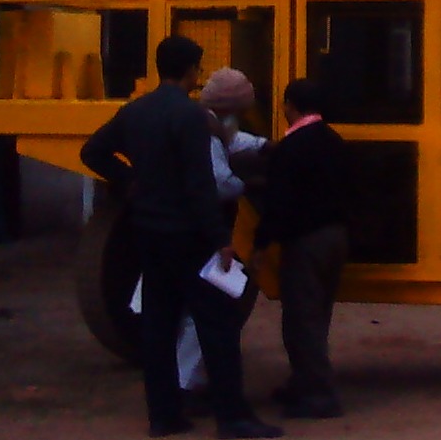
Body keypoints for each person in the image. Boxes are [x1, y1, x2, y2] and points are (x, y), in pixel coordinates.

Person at [81, 35, 283, 440]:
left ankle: (164, 416)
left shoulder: (136, 112)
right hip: (191, 235)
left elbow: (92, 152)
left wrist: (128, 181)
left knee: (158, 325)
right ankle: (233, 418)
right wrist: (219, 238)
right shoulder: (191, 118)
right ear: (192, 70)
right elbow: (199, 183)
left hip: (149, 232)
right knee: (219, 324)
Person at [255, 76, 350, 419]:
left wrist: (262, 243)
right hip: (335, 237)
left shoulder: (291, 148)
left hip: (305, 242)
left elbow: (278, 203)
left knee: (301, 319)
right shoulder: (334, 142)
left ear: (288, 107)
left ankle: (319, 393)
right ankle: (303, 382)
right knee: (317, 314)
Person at [176, 69, 271, 404]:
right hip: (201, 230)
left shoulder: (211, 122)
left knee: (190, 312)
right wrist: (249, 185)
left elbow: (235, 139)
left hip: (184, 228)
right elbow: (219, 181)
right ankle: (188, 386)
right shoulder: (207, 133)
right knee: (202, 313)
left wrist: (265, 146)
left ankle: (188, 382)